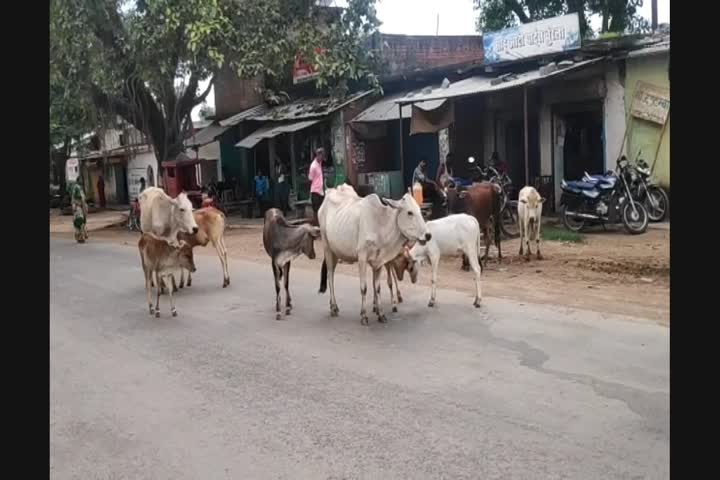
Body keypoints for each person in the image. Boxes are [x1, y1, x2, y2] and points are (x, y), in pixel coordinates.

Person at [308, 147, 325, 225]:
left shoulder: (319, 163)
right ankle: (317, 226)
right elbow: (310, 178)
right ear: (317, 155)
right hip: (315, 191)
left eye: (323, 156)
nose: (322, 158)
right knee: (316, 210)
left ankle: (321, 224)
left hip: (320, 191)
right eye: (321, 156)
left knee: (321, 209)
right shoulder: (313, 166)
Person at [68, 177, 89, 243]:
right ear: (78, 181)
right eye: (81, 180)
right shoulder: (77, 188)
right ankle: (81, 236)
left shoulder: (78, 187)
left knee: (81, 221)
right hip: (78, 206)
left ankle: (81, 236)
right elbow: (76, 198)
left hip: (79, 206)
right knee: (80, 220)